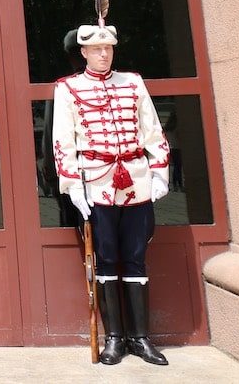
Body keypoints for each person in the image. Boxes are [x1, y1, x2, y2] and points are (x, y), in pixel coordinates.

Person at [52, 19, 171, 366]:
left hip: (136, 181)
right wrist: (72, 185)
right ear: (84, 52)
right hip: (97, 184)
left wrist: (159, 170)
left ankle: (141, 338)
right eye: (97, 49)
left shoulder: (132, 83)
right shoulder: (68, 89)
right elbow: (64, 140)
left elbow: (152, 128)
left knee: (136, 257)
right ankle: (115, 339)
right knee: (104, 260)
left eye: (108, 49)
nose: (104, 55)